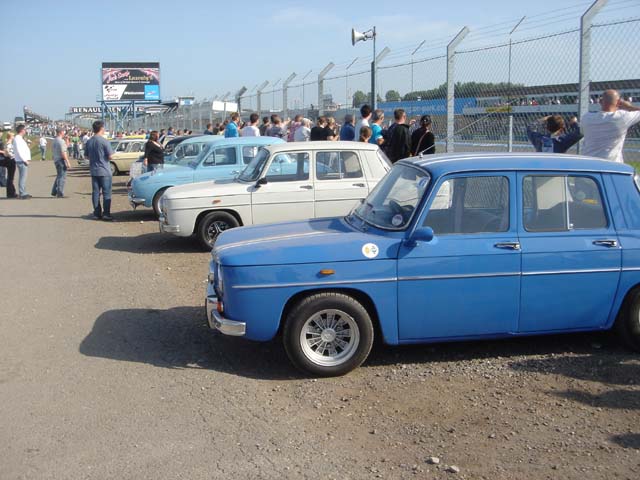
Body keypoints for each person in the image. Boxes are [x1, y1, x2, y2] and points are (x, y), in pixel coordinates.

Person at [581, 89, 640, 162]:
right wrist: (629, 107)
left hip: (588, 161)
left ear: (600, 102)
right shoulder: (621, 117)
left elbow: (582, 132)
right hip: (611, 163)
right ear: (619, 103)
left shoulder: (587, 118)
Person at [85, 120, 114, 220]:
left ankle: (97, 213)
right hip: (105, 170)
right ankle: (106, 214)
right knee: (107, 193)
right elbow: (110, 156)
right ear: (101, 128)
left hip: (94, 170)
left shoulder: (89, 141)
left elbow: (86, 156)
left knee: (96, 193)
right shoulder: (104, 141)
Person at [51, 127, 71, 198]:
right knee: (62, 177)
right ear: (61, 132)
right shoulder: (61, 141)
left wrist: (67, 139)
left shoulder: (55, 140)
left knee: (59, 175)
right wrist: (67, 161)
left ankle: (54, 191)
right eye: (63, 132)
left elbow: (66, 146)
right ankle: (60, 192)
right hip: (60, 160)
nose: (64, 133)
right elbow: (63, 152)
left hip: (56, 159)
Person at [13, 125, 32, 199]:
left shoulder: (19, 138)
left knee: (23, 177)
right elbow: (19, 150)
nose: (25, 131)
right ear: (21, 130)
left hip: (22, 160)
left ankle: (24, 192)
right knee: (22, 177)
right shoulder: (17, 139)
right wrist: (24, 160)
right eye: (25, 129)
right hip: (21, 160)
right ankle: (22, 193)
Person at [0, 133, 17, 198]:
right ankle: (11, 193)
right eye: (13, 136)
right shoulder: (9, 144)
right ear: (10, 137)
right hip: (10, 160)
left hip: (8, 159)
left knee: (10, 178)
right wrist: (13, 156)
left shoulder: (7, 143)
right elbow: (8, 152)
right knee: (10, 178)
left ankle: (11, 192)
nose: (14, 137)